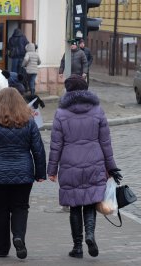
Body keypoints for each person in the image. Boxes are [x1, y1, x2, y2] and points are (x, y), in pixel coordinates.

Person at [48, 74, 122, 259]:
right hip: (94, 163)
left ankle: (77, 247)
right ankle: (90, 235)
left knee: (74, 206)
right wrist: (111, 167)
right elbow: (106, 142)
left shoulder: (61, 113)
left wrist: (51, 170)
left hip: (69, 164)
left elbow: (56, 144)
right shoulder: (97, 110)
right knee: (89, 202)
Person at [0, 87, 46, 259]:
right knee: (21, 207)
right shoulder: (28, 121)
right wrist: (40, 173)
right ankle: (18, 236)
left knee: (0, 210)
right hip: (23, 172)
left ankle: (1, 248)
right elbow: (38, 150)